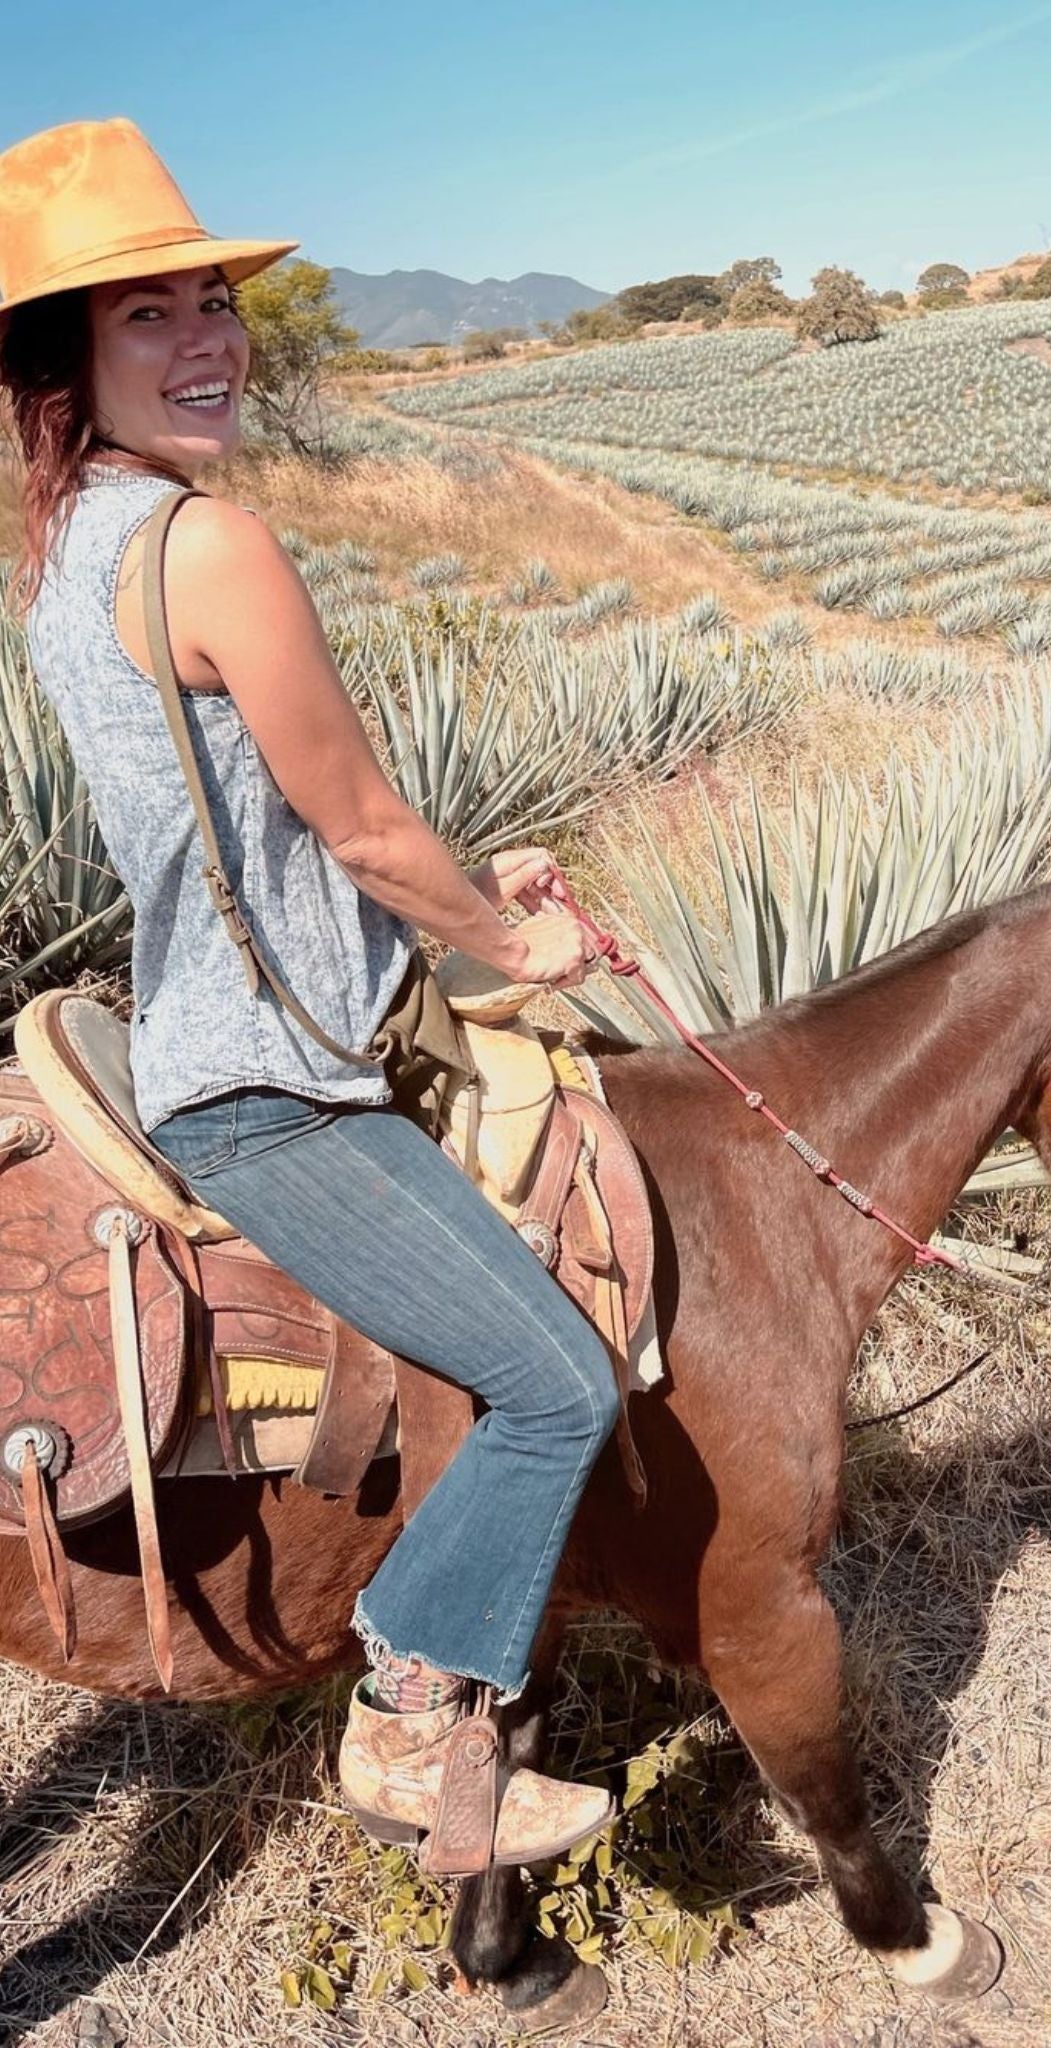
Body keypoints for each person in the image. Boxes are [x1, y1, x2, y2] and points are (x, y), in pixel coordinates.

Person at [0, 118, 614, 1862]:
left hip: (234, 1016)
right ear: (62, 361)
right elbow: (351, 822)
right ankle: (409, 1716)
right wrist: (524, 945)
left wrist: (458, 893)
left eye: (214, 301)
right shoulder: (214, 544)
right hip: (266, 1084)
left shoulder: (68, 548)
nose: (208, 340)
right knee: (558, 1380)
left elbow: (245, 838)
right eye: (149, 318)